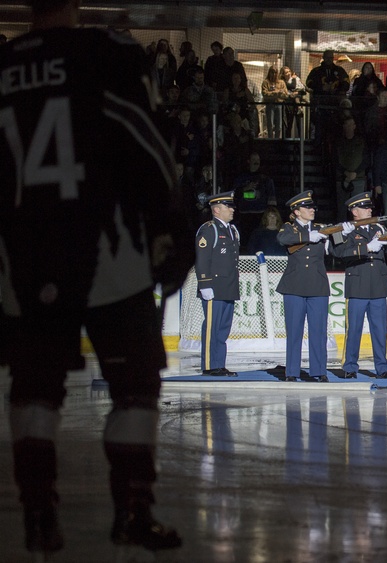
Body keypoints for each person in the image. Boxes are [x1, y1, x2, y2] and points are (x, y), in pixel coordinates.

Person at [0, 0, 189, 555]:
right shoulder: (105, 54)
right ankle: (133, 508)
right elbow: (146, 141)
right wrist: (168, 223)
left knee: (34, 389)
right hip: (108, 250)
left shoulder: (2, 68)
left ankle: (38, 515)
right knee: (135, 386)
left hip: (23, 256)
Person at [331, 192, 387, 380]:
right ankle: (350, 366)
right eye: (364, 207)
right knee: (354, 330)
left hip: (378, 285)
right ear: (354, 211)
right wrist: (366, 248)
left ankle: (382, 367)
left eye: (369, 207)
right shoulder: (346, 231)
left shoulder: (378, 228)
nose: (369, 210)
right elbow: (340, 252)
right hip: (358, 284)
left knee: (379, 329)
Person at [276, 191, 340, 382]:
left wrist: (341, 234)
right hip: (294, 286)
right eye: (308, 207)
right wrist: (308, 236)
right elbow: (282, 240)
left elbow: (337, 252)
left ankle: (319, 371)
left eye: (313, 207)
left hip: (317, 286)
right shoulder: (288, 228)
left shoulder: (322, 228)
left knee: (318, 332)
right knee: (294, 331)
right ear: (296, 211)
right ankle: (292, 372)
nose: (312, 210)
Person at [195, 191, 241, 375]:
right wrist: (204, 283)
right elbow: (202, 258)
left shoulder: (232, 230)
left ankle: (218, 364)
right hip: (213, 287)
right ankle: (209, 365)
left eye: (231, 206)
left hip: (228, 287)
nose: (232, 209)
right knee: (212, 328)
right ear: (216, 210)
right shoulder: (209, 229)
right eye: (227, 206)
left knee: (222, 329)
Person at [231, 152, 277, 238]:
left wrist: (270, 212)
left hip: (260, 214)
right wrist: (245, 188)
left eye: (258, 160)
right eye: (254, 160)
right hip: (244, 215)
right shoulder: (241, 178)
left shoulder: (265, 179)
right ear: (248, 161)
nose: (256, 162)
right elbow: (233, 195)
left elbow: (271, 197)